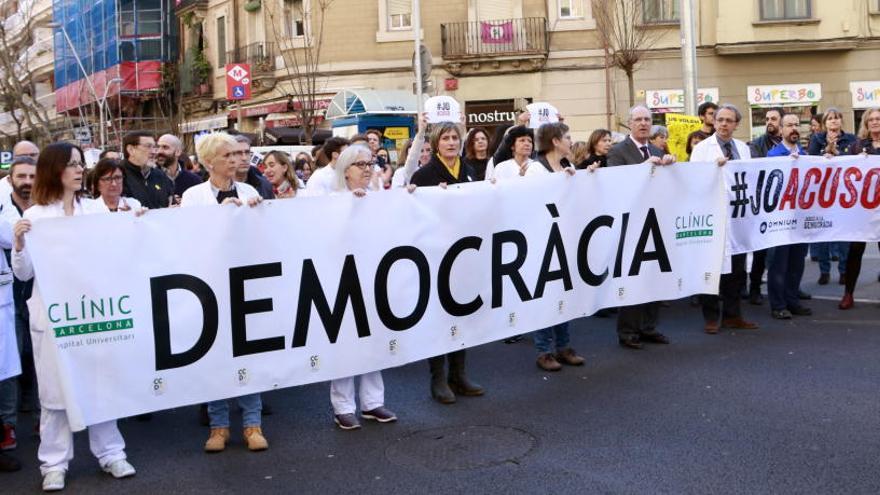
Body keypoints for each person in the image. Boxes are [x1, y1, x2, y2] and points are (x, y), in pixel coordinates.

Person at [12, 142, 136, 491]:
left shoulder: (95, 212)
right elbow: (23, 275)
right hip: (54, 318)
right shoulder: (36, 216)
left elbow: (118, 254)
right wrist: (20, 246)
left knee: (101, 384)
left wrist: (134, 226)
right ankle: (53, 463)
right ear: (55, 170)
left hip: (93, 312)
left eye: (81, 164)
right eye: (71, 164)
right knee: (54, 393)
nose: (79, 170)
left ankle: (111, 452)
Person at [179, 133, 268, 453]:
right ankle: (218, 427)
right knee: (215, 356)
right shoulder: (193, 196)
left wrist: (257, 213)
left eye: (236, 154)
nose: (234, 160)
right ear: (208, 162)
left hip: (245, 283)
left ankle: (252, 424)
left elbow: (264, 238)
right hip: (209, 285)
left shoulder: (249, 191)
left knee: (248, 353)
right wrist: (219, 216)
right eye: (226, 156)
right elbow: (188, 238)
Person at [316, 144, 402, 429]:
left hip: (373, 277)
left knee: (373, 339)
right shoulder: (331, 200)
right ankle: (342, 405)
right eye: (360, 165)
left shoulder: (378, 198)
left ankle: (372, 402)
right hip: (340, 280)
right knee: (344, 342)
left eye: (370, 164)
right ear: (346, 170)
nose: (367, 169)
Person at [411, 122, 483, 403]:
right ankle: (438, 378)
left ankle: (459, 374)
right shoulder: (424, 174)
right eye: (446, 138)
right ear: (436, 142)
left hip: (463, 252)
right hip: (435, 255)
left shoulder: (467, 170)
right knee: (439, 317)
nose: (452, 143)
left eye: (455, 138)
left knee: (461, 313)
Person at [606, 105, 676, 350]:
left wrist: (671, 164)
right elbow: (617, 184)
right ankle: (627, 331)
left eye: (647, 119)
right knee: (633, 278)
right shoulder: (617, 151)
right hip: (632, 224)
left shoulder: (658, 149)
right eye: (638, 119)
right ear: (629, 123)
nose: (644, 123)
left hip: (656, 222)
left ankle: (649, 327)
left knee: (654, 276)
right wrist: (645, 166)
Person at [689, 104, 759, 334]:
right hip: (712, 214)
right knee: (712, 267)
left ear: (736, 124)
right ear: (714, 122)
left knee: (737, 270)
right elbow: (693, 180)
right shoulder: (702, 149)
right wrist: (713, 168)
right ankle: (711, 316)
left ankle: (733, 315)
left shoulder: (742, 148)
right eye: (720, 120)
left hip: (737, 216)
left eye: (729, 120)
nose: (724, 124)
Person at [764, 114, 811, 320]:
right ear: (781, 129)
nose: (794, 129)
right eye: (789, 125)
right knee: (778, 263)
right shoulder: (773, 155)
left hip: (800, 219)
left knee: (797, 262)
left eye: (797, 125)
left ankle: (792, 300)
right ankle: (778, 304)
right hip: (780, 219)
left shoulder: (807, 155)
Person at [807, 108, 856, 285]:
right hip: (822, 194)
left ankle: (844, 270)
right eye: (830, 119)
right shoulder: (817, 139)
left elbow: (855, 160)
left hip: (844, 193)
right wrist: (824, 155)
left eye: (837, 118)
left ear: (841, 121)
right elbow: (810, 162)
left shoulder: (851, 139)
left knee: (843, 234)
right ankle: (824, 271)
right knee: (823, 234)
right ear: (824, 123)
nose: (834, 121)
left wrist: (838, 155)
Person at [839, 107, 880, 310]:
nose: (874, 122)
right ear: (865, 123)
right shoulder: (857, 146)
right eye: (871, 119)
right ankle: (848, 293)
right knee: (855, 250)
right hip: (862, 209)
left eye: (878, 119)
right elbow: (846, 169)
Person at [745, 108, 783, 305]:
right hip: (762, 203)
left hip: (784, 204)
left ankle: (789, 287)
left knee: (786, 248)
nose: (769, 122)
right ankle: (754, 288)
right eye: (767, 119)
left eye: (774, 119)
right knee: (761, 249)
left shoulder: (790, 145)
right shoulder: (757, 145)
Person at [120, 131, 174, 209]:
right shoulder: (118, 176)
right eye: (148, 146)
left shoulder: (160, 175)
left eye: (154, 147)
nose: (154, 152)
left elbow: (171, 201)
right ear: (131, 149)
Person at [156, 134, 203, 200]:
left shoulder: (194, 180)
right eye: (158, 147)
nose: (159, 151)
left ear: (178, 152)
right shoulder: (149, 180)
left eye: (165, 147)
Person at [391, 114, 430, 188]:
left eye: (428, 150)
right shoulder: (404, 172)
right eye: (421, 151)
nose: (425, 154)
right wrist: (421, 132)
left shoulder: (437, 171)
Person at [231, 135, 274, 200]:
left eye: (247, 152)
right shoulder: (221, 186)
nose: (244, 158)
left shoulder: (266, 185)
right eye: (239, 153)